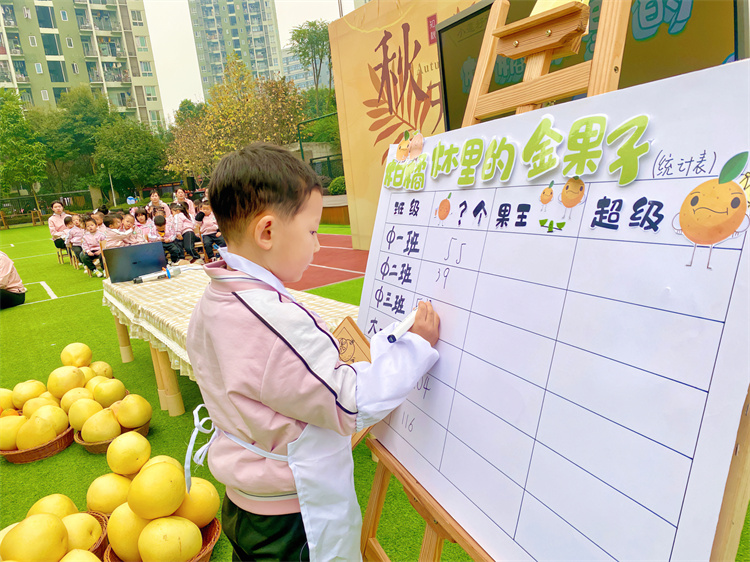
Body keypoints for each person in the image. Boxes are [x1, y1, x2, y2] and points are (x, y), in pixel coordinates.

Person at [185, 143, 440, 561]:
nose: (318, 245)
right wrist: (413, 347)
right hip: (292, 516)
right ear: (267, 232)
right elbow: (351, 401)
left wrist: (381, 343)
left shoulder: (216, 298)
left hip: (246, 501)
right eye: (312, 231)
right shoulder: (273, 319)